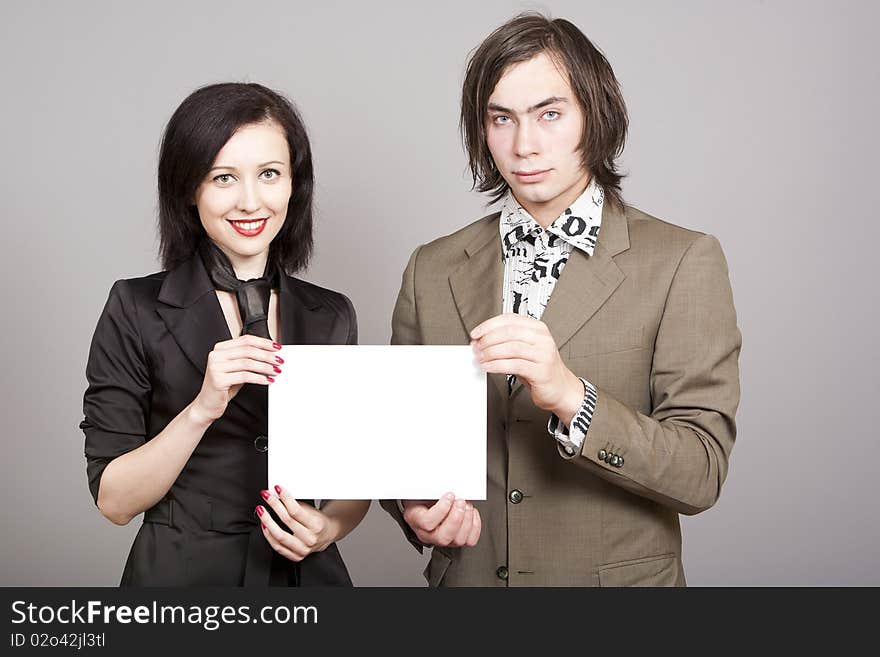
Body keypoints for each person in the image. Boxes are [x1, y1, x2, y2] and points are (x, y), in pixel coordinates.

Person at [380, 13, 741, 586]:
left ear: (594, 117)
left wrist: (572, 398)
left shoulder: (682, 261)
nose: (525, 145)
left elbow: (699, 472)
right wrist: (414, 509)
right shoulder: (433, 267)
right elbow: (398, 442)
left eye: (550, 114)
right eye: (503, 119)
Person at [80, 82, 369, 586]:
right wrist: (201, 408)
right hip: (180, 581)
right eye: (224, 178)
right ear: (190, 187)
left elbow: (354, 478)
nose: (250, 201)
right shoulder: (135, 307)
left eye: (270, 174)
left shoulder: (332, 314)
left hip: (306, 581)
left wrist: (327, 527)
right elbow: (114, 501)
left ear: (293, 185)